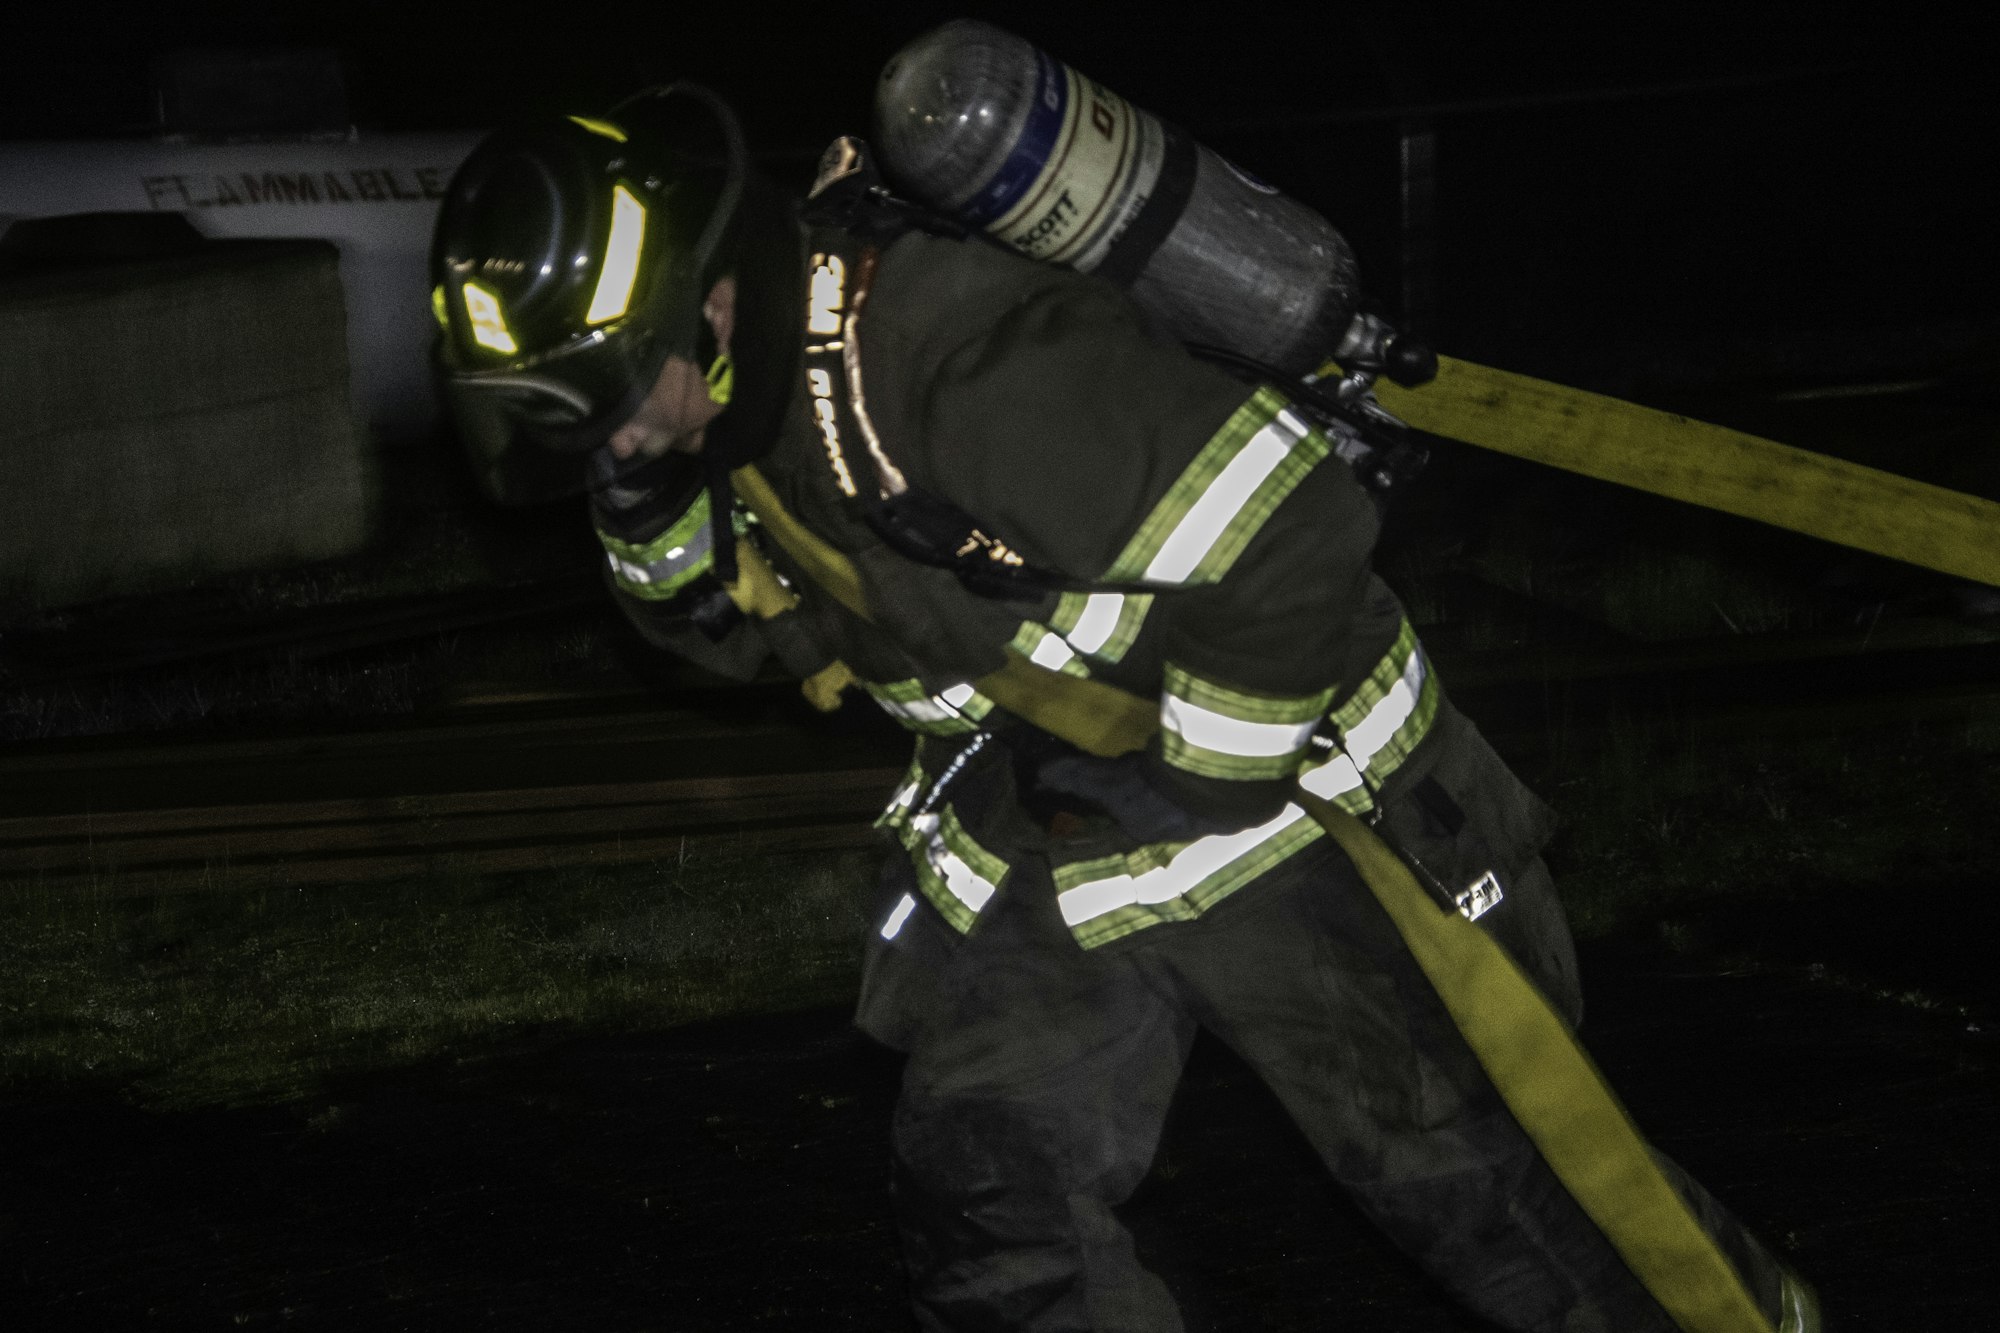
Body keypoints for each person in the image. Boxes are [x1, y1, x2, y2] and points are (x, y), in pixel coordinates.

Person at [428, 91, 1819, 1333]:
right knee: (996, 1200)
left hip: (1295, 817)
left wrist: (1196, 780)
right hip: (1059, 843)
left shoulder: (955, 356)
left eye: (604, 400)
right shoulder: (734, 416)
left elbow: (1289, 538)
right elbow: (735, 640)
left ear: (703, 302)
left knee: (1498, 1206)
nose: (602, 438)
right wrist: (642, 502)